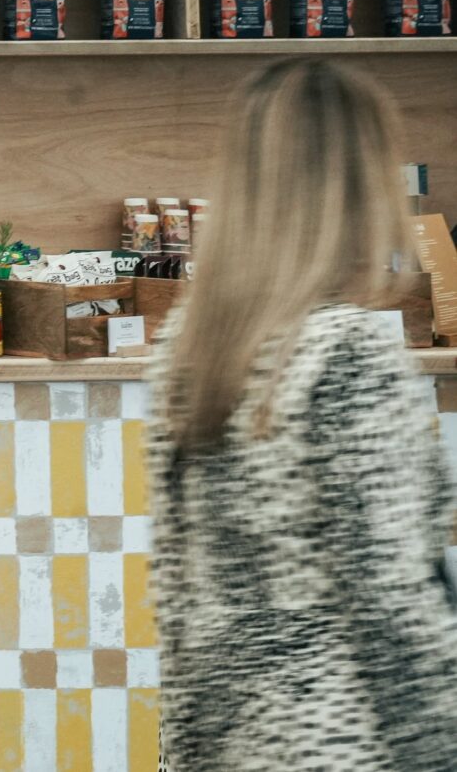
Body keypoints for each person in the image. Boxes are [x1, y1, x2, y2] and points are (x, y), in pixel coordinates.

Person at [147, 59, 457, 771]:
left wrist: (187, 749)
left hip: (229, 735)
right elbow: (391, 604)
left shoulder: (191, 343)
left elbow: (176, 584)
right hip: (345, 737)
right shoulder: (348, 350)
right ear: (360, 186)